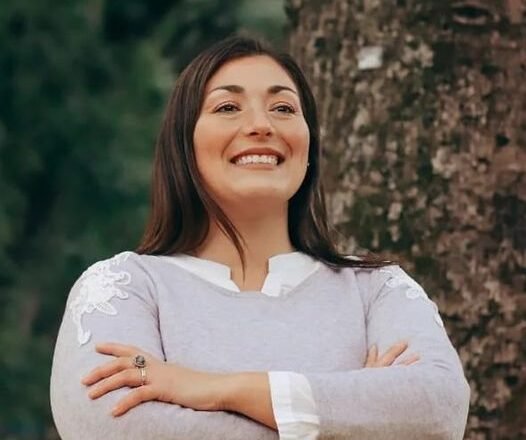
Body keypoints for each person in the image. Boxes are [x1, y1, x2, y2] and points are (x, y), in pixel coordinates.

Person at [50, 35, 470, 439]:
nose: (260, 125)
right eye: (228, 106)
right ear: (184, 145)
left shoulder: (376, 287)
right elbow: (115, 429)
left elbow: (438, 410)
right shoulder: (124, 287)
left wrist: (209, 388)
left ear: (309, 148)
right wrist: (355, 417)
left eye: (284, 108)